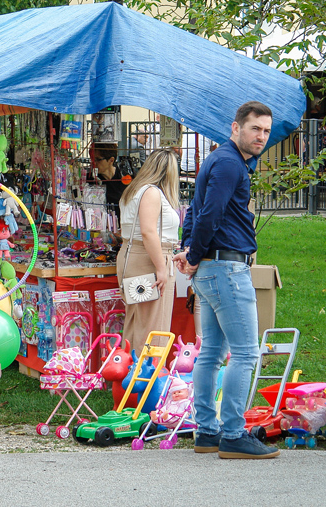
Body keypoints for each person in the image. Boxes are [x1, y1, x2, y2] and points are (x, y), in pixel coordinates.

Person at [174, 101, 280, 460]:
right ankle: (233, 434)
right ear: (236, 128)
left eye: (265, 131)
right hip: (226, 270)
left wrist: (189, 249)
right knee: (247, 352)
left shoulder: (220, 161)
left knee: (213, 354)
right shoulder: (230, 163)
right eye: (255, 129)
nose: (261, 137)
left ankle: (207, 432)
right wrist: (191, 254)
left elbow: (196, 210)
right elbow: (209, 214)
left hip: (214, 270)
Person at [116, 149, 181, 353]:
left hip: (133, 255)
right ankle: (148, 375)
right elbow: (148, 232)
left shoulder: (134, 191)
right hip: (149, 258)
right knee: (153, 324)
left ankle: (128, 374)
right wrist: (161, 268)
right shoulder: (152, 192)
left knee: (138, 321)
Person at [91, 143, 128, 216]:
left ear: (111, 160)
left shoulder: (124, 177)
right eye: (92, 159)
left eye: (98, 159)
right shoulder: (91, 180)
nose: (94, 163)